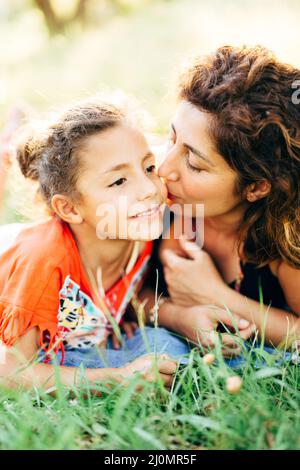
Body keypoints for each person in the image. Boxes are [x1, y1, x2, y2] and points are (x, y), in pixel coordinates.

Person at [0, 96, 187, 393]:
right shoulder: (42, 261)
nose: (149, 189)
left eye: (149, 168)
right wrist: (117, 378)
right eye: (118, 182)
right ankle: (9, 144)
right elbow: (10, 372)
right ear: (71, 209)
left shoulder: (140, 229)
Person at [150, 45, 300, 353]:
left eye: (194, 163)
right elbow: (113, 294)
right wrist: (178, 316)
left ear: (257, 187)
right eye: (172, 137)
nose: (165, 168)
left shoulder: (287, 240)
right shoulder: (149, 190)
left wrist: (218, 296)